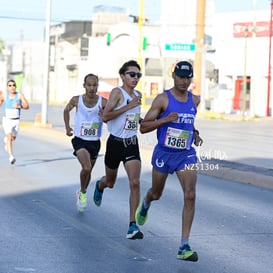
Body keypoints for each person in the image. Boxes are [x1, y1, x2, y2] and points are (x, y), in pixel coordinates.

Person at [135, 61, 203, 261]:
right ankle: (146, 203)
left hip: (185, 154)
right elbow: (144, 127)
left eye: (187, 77)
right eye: (181, 77)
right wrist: (165, 120)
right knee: (157, 193)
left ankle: (184, 246)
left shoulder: (195, 100)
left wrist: (195, 133)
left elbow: (188, 121)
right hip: (164, 153)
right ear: (173, 77)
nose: (184, 81)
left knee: (190, 195)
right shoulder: (162, 99)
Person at [93, 60, 143, 240]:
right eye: (132, 74)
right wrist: (129, 105)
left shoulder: (138, 94)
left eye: (138, 75)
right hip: (115, 143)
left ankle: (132, 225)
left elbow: (133, 117)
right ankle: (100, 184)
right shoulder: (117, 92)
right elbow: (106, 116)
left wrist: (143, 120)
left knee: (135, 182)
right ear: (123, 76)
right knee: (111, 182)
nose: (135, 78)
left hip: (131, 143)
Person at [63, 73, 107, 212]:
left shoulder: (103, 102)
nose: (92, 88)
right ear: (84, 86)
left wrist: (104, 116)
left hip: (94, 142)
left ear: (97, 86)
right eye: (89, 85)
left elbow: (111, 116)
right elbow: (66, 110)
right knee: (86, 167)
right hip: (80, 140)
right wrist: (67, 127)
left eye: (94, 85)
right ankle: (82, 192)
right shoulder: (76, 100)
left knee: (88, 172)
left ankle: (82, 191)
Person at [0, 79, 29, 164]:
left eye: (13, 85)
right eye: (10, 85)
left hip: (16, 120)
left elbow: (27, 106)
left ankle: (7, 141)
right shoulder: (5, 96)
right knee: (9, 136)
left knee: (13, 138)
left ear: (15, 87)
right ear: (7, 87)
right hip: (7, 120)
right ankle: (11, 157)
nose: (12, 87)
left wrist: (19, 106)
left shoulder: (19, 95)